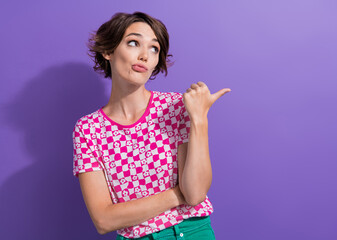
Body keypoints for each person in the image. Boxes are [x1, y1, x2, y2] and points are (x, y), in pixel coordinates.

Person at [72, 11, 231, 239]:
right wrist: (178, 194)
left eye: (154, 48)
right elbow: (103, 220)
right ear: (108, 51)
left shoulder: (175, 107)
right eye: (134, 43)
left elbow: (195, 194)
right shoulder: (88, 130)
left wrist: (199, 118)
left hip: (194, 232)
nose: (145, 56)